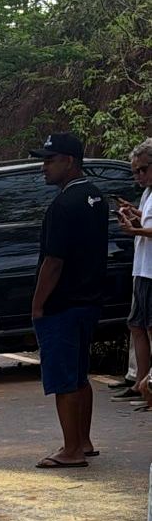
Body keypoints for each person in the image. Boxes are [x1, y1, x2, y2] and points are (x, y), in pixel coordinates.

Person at [29, 133, 108, 468]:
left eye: (50, 160)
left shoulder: (63, 205)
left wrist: (38, 304)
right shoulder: (95, 197)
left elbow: (53, 262)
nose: (44, 167)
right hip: (89, 300)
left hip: (63, 303)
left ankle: (71, 449)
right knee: (79, 374)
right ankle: (84, 440)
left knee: (64, 377)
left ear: (70, 162)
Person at [112, 138, 152, 403]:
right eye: (135, 171)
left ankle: (147, 384)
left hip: (150, 270)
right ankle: (141, 380)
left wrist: (134, 229)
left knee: (148, 326)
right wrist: (134, 213)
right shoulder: (148, 193)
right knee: (136, 324)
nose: (139, 175)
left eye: (143, 169)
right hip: (142, 268)